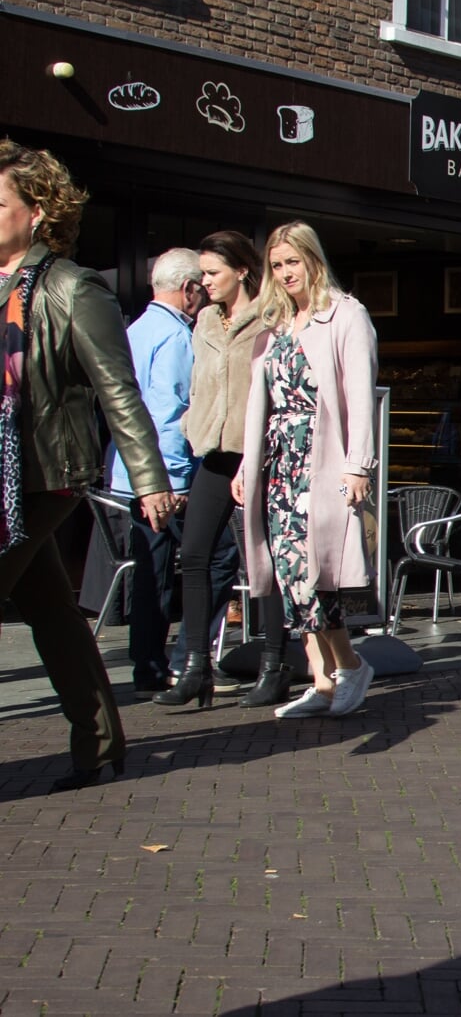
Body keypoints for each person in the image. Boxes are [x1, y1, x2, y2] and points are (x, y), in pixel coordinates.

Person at [0, 140, 175, 790]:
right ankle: (100, 741)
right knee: (49, 607)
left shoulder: (75, 288)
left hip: (46, 473)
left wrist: (150, 480)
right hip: (2, 474)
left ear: (38, 211)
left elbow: (119, 391)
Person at [234, 222, 379, 720]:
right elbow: (263, 402)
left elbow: (360, 396)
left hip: (321, 462)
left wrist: (358, 465)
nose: (284, 273)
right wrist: (246, 465)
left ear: (312, 259)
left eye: (292, 262)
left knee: (319, 577)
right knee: (292, 578)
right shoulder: (276, 325)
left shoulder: (345, 314)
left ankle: (351, 667)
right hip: (279, 464)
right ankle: (321, 681)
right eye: (276, 265)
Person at [156, 232, 275, 708]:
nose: (204, 283)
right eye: (202, 274)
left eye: (212, 273)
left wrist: (257, 451)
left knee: (262, 560)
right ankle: (195, 667)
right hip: (213, 452)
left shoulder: (269, 317)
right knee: (194, 554)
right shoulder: (204, 319)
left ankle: (274, 663)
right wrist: (192, 425)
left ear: (242, 270)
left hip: (255, 454)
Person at [106, 248, 203, 694]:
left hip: (130, 473)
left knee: (150, 570)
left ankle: (148, 662)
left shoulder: (135, 331)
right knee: (182, 568)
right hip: (162, 477)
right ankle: (164, 662)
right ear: (188, 290)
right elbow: (171, 413)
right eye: (200, 288)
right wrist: (177, 480)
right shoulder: (178, 338)